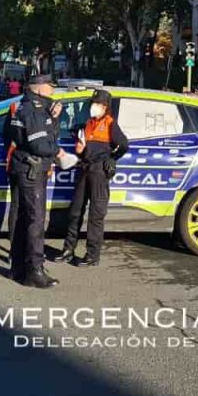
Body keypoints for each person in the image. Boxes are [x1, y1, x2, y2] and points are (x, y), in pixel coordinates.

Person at [60, 89, 129, 267]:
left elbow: (123, 144)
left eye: (97, 104)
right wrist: (80, 148)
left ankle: (92, 255)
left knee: (96, 215)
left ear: (105, 107)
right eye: (93, 103)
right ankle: (68, 249)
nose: (93, 107)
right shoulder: (88, 123)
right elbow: (79, 148)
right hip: (84, 168)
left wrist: (112, 159)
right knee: (75, 211)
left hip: (99, 171)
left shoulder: (110, 123)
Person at [8, 74, 63, 287]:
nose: (53, 91)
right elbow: (41, 145)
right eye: (51, 87)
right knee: (35, 221)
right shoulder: (34, 110)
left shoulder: (28, 106)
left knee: (23, 219)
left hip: (26, 167)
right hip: (33, 170)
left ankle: (19, 269)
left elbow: (47, 135)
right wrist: (59, 153)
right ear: (39, 88)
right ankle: (34, 271)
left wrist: (55, 118)